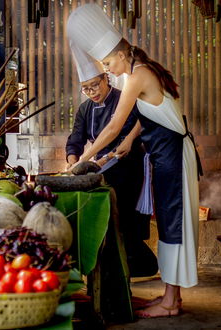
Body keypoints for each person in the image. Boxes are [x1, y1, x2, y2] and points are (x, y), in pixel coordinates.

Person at [67, 3, 202, 318]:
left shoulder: (136, 76)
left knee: (175, 226)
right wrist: (127, 142)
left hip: (174, 158)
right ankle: (171, 298)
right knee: (169, 225)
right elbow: (147, 114)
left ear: (123, 54)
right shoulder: (141, 72)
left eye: (109, 62)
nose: (109, 69)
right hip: (166, 158)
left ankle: (171, 303)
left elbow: (114, 125)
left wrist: (80, 161)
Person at [66, 41, 158, 278]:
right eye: (86, 89)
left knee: (124, 220)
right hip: (103, 166)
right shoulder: (85, 109)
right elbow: (76, 138)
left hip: (128, 165)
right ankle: (114, 265)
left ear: (106, 79)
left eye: (95, 85)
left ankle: (135, 265)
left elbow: (129, 129)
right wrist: (72, 158)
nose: (92, 92)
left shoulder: (123, 96)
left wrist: (97, 159)